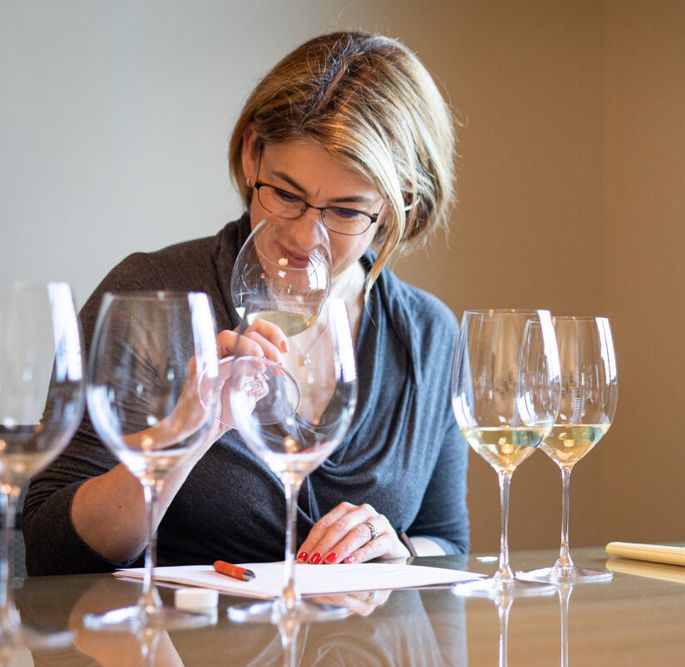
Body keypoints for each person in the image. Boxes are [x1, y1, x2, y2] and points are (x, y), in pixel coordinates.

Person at [23, 31, 469, 575]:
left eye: (346, 211)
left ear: (402, 203)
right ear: (252, 153)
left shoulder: (427, 334)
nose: (303, 237)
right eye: (286, 194)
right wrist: (186, 435)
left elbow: (448, 542)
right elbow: (47, 545)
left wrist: (396, 549)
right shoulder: (150, 295)